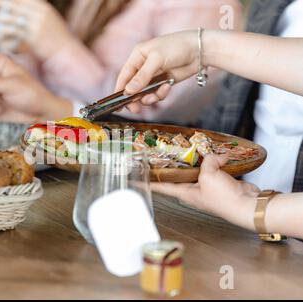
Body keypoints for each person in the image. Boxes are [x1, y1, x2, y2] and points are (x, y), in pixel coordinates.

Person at [114, 8, 303, 239]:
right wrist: (201, 48)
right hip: (228, 232)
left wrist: (250, 208)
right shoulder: (270, 7)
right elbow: (216, 134)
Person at [0, 0, 243, 124]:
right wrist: (22, 55)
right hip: (50, 152)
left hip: (135, 184)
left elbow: (157, 118)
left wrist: (59, 47)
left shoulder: (204, 5)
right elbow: (46, 90)